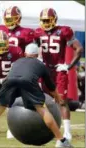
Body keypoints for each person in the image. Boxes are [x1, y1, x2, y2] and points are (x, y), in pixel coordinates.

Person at [0, 43, 73, 147]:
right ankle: (61, 140)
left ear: (25, 54)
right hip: (28, 82)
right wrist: (58, 97)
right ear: (37, 55)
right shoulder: (40, 65)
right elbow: (50, 86)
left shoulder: (17, 62)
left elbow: (11, 75)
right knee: (42, 110)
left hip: (9, 81)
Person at [34, 8, 83, 141]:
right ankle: (45, 127)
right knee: (42, 101)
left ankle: (67, 131)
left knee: (61, 101)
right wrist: (36, 58)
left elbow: (79, 49)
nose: (46, 23)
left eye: (48, 20)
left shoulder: (63, 31)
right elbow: (33, 48)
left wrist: (68, 66)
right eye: (44, 20)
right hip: (44, 70)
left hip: (59, 69)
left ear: (54, 19)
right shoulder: (38, 32)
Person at [0, 6, 35, 138]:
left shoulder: (26, 32)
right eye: (8, 19)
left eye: (12, 18)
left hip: (16, 67)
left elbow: (29, 51)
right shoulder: (0, 29)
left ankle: (12, 127)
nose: (10, 21)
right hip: (1, 65)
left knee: (14, 97)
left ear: (18, 19)